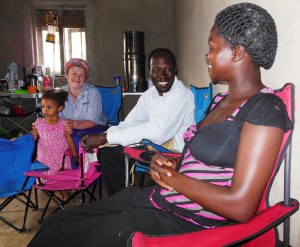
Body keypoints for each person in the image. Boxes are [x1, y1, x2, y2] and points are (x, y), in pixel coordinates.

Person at [28, 3, 293, 247]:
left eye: (212, 47)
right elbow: (205, 164)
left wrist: (174, 179)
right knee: (56, 223)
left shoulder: (265, 108)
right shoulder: (221, 101)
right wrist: (166, 163)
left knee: (59, 238)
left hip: (187, 220)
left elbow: (241, 206)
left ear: (237, 52)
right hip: (165, 201)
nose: (206, 55)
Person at [81, 48, 195, 196]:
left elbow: (158, 132)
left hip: (174, 149)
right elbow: (130, 123)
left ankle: (121, 203)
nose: (162, 75)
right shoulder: (150, 94)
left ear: (175, 70)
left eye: (167, 69)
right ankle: (121, 202)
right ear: (150, 72)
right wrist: (103, 137)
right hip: (155, 143)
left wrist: (105, 138)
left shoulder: (180, 94)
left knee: (112, 154)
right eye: (156, 69)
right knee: (108, 149)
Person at [32, 89, 78, 200]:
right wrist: (20, 143)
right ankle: (56, 191)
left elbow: (70, 140)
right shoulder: (39, 123)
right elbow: (32, 139)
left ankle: (65, 190)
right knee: (48, 180)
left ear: (59, 108)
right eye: (43, 106)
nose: (45, 110)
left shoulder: (64, 124)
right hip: (45, 158)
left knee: (63, 178)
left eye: (49, 107)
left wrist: (75, 155)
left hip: (60, 157)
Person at [59, 58, 107, 163]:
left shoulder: (93, 92)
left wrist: (72, 124)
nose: (77, 78)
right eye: (73, 73)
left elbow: (92, 121)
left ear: (85, 78)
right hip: (68, 129)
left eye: (81, 75)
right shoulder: (59, 93)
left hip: (94, 128)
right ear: (67, 75)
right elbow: (54, 116)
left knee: (82, 141)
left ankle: (87, 174)